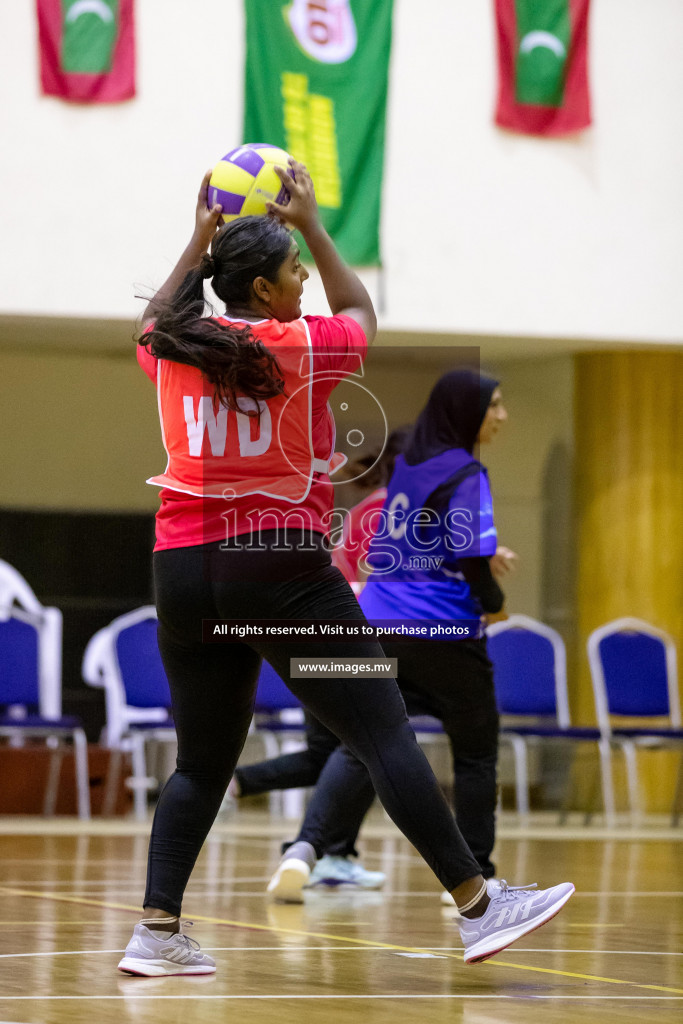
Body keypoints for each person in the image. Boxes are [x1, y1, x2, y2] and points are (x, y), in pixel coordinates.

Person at [118, 159, 574, 977]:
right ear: (264, 292)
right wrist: (319, 226)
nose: (304, 280)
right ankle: (478, 905)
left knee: (200, 761)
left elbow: (157, 314)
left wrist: (195, 240)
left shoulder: (171, 347)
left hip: (183, 570)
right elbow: (361, 309)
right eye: (293, 269)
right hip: (280, 571)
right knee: (379, 728)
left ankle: (156, 932)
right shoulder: (297, 345)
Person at [265, 369, 519, 907]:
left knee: (366, 744)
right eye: (494, 405)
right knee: (475, 756)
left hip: (380, 626)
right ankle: (478, 877)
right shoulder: (465, 471)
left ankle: (305, 850)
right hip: (443, 631)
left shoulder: (408, 472)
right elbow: (472, 555)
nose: (501, 415)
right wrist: (495, 605)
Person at [223, 429, 410, 892]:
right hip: (344, 640)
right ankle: (314, 849)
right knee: (364, 747)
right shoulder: (388, 510)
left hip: (330, 638)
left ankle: (328, 850)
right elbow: (370, 585)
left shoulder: (386, 508)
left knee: (335, 752)